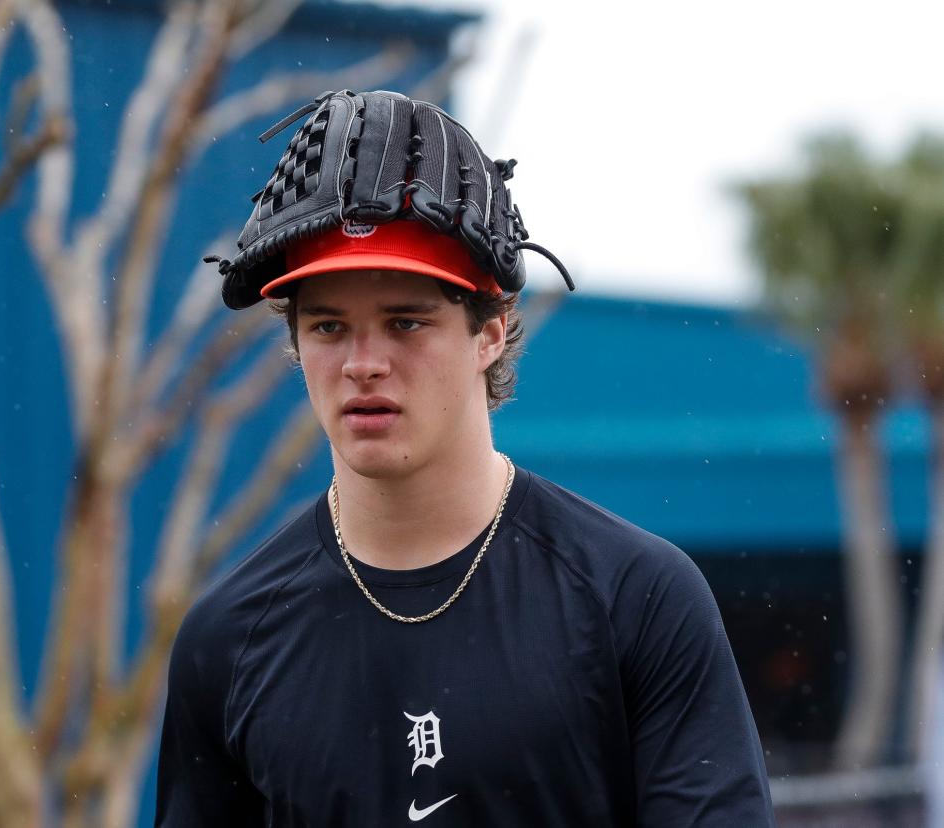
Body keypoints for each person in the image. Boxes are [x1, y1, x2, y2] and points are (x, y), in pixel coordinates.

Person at [154, 89, 775, 826]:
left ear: (491, 330)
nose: (363, 363)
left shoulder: (635, 598)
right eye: (327, 327)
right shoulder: (228, 638)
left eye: (406, 322)